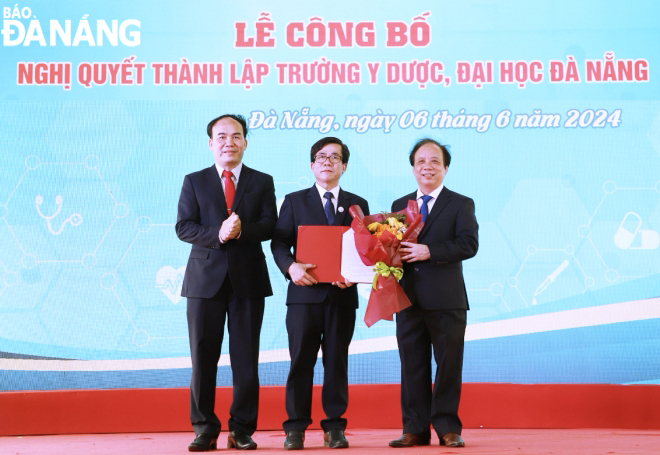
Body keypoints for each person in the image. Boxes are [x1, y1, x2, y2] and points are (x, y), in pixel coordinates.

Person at [176, 114, 277, 452]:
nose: (228, 142)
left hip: (248, 280)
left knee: (246, 358)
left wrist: (241, 229)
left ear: (245, 142)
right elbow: (184, 227)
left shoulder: (262, 181)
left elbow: (270, 225)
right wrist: (217, 234)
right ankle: (204, 429)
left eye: (236, 136)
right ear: (210, 143)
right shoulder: (195, 181)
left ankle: (242, 429)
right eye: (221, 137)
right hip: (204, 282)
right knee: (202, 358)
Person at [271, 137, 369, 450]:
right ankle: (295, 428)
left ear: (344, 166)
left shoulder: (357, 204)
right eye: (321, 157)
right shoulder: (294, 201)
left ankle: (334, 427)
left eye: (334, 157)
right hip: (303, 297)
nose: (327, 162)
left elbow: (365, 249)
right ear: (312, 165)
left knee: (336, 363)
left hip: (341, 298)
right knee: (301, 362)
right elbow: (278, 243)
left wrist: (356, 276)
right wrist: (291, 268)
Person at [388, 138, 478, 449]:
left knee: (448, 365)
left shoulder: (460, 204)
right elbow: (391, 248)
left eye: (434, 161)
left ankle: (447, 428)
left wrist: (431, 251)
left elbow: (469, 245)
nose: (427, 166)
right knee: (412, 365)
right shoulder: (400, 205)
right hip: (408, 298)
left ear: (445, 168)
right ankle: (414, 428)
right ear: (413, 168)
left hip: (447, 299)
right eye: (421, 161)